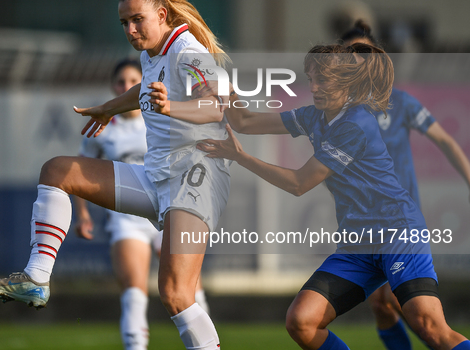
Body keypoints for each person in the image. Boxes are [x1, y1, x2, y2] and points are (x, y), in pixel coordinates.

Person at [0, 0, 229, 350]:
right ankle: (36, 279)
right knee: (57, 171)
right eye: (124, 22)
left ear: (162, 16)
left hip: (194, 183)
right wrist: (109, 109)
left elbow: (216, 107)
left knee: (176, 295)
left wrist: (172, 105)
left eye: (137, 20)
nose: (130, 30)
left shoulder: (187, 50)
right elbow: (144, 90)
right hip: (157, 178)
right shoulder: (152, 53)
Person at [198, 43, 470, 350]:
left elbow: (299, 183)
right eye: (310, 78)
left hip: (398, 233)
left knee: (429, 327)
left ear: (346, 83)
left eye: (322, 80)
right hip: (357, 244)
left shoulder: (355, 124)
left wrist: (241, 157)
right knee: (301, 321)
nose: (313, 87)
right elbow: (245, 122)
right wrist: (227, 91)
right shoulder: (314, 117)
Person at [341, 20, 470, 350]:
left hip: (400, 221)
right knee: (384, 305)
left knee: (414, 313)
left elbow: (445, 141)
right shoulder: (340, 111)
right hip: (366, 224)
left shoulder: (400, 101)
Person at [74, 58, 210, 350]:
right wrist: (82, 213)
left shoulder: (163, 115)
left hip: (168, 208)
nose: (126, 86)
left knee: (188, 291)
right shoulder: (106, 126)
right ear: (114, 88)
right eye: (121, 82)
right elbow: (82, 171)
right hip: (127, 216)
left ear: (143, 84)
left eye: (132, 82)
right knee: (134, 295)